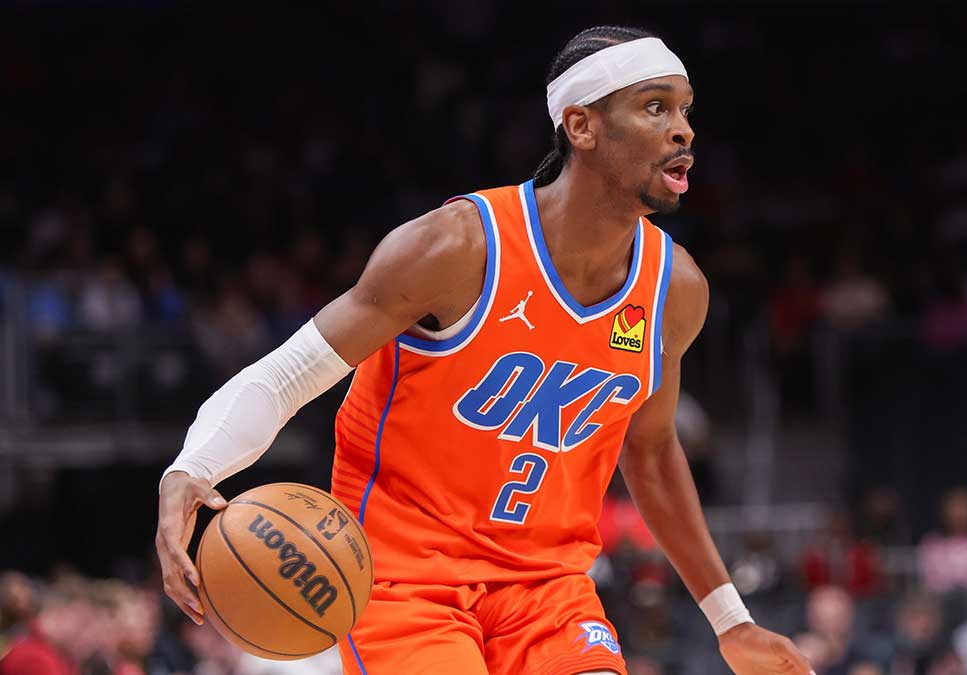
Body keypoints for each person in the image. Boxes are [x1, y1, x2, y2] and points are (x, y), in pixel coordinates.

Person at [154, 25, 809, 675]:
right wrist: (192, 468)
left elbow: (653, 453)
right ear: (581, 126)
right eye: (655, 107)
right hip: (403, 580)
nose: (684, 130)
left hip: (549, 589)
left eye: (686, 109)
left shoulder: (676, 288)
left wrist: (732, 620)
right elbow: (289, 374)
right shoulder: (457, 247)